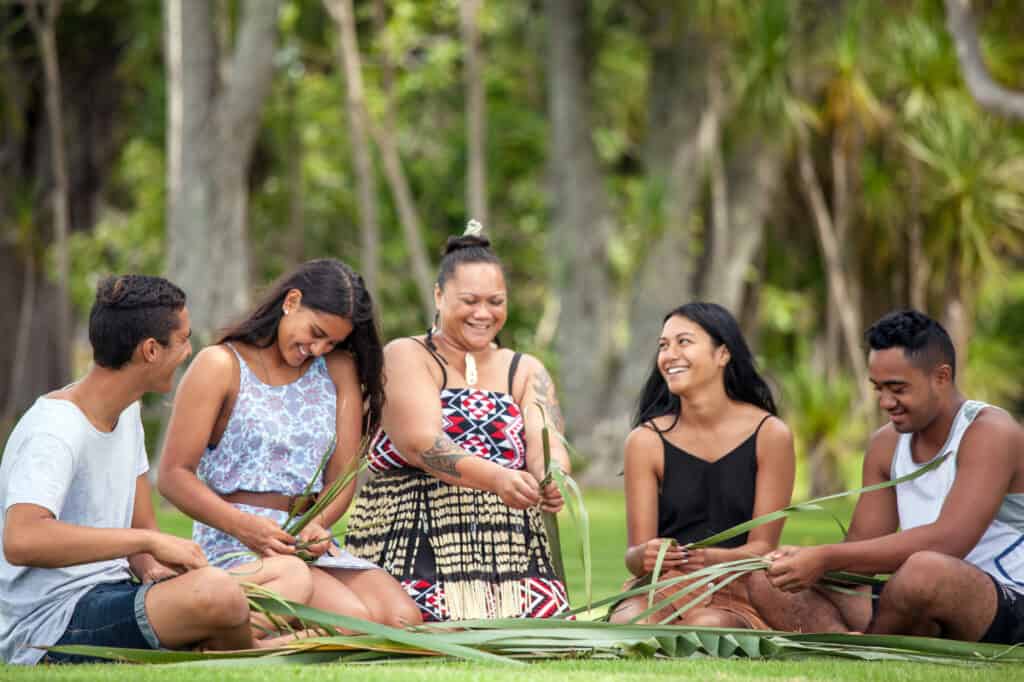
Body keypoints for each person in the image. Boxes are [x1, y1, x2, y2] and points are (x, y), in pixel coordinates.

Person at [0, 275, 313, 665]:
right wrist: (146, 544)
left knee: (289, 574)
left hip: (119, 594)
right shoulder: (56, 429)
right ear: (150, 350)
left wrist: (152, 565)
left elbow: (142, 529)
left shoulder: (125, 412)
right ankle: (252, 649)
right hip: (53, 624)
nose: (188, 352)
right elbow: (22, 539)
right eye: (183, 339)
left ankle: (213, 636)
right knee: (219, 592)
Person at [158, 259, 420, 628]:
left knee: (402, 618)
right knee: (355, 620)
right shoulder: (220, 364)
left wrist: (319, 523)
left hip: (304, 536)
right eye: (315, 332)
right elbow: (173, 476)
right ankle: (224, 637)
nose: (317, 348)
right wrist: (243, 526)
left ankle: (253, 634)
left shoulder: (336, 368)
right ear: (291, 301)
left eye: (331, 341)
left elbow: (341, 480)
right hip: (236, 538)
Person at [345, 226, 570, 621]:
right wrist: (499, 478)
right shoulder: (406, 355)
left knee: (533, 636)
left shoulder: (525, 369)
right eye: (469, 300)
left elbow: (546, 441)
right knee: (418, 624)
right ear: (438, 296)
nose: (483, 313)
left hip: (510, 552)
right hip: (414, 541)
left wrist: (552, 477)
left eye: (496, 302)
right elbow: (424, 445)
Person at [758, 310, 1024, 644]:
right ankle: (845, 641)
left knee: (924, 571)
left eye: (897, 388)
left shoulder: (991, 433)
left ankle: (869, 647)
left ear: (941, 377)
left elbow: (949, 542)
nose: (885, 402)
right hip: (914, 594)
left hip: (1005, 598)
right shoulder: (886, 444)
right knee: (764, 575)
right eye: (878, 388)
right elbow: (859, 558)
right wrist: (800, 562)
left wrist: (825, 557)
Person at [608, 302, 796, 628]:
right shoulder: (646, 440)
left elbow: (763, 548)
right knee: (630, 625)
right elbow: (635, 556)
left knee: (706, 628)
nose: (669, 355)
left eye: (684, 342)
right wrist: (646, 555)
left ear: (722, 354)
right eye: (663, 345)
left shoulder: (770, 434)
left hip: (736, 585)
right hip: (664, 586)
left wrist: (708, 558)